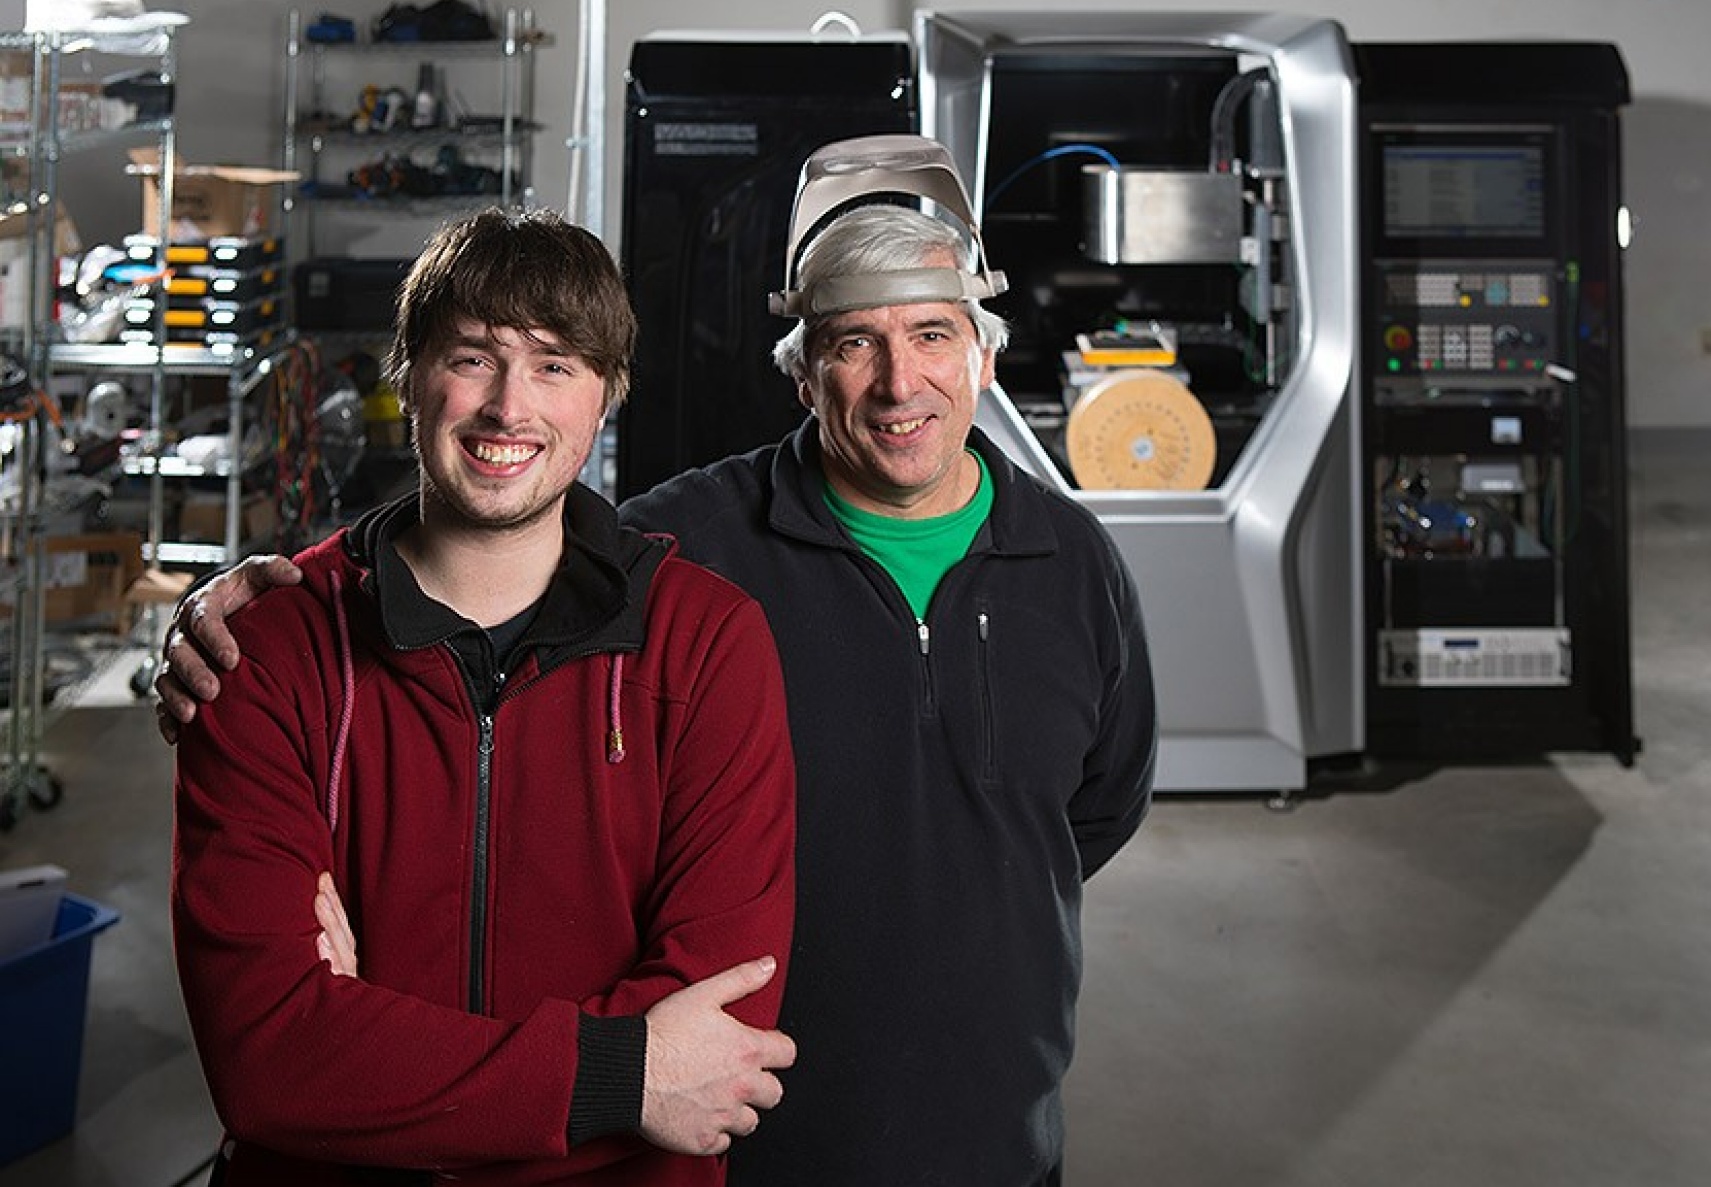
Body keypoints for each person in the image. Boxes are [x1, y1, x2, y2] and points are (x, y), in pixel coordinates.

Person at [159, 137, 1157, 1187]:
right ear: (802, 373)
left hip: (990, 1121)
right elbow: (501, 526)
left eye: (932, 334)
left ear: (983, 355)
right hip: (764, 1133)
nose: (899, 381)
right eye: (854, 342)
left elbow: (1097, 806)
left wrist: (384, 1063)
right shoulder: (686, 556)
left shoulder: (1070, 562)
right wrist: (252, 602)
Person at [168, 206, 798, 1186]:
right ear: (408, 374)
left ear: (606, 394)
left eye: (555, 365)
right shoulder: (267, 649)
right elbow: (266, 1060)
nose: (509, 406)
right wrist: (622, 1080)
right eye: (472, 357)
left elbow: (717, 1046)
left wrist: (368, 1076)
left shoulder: (706, 644)